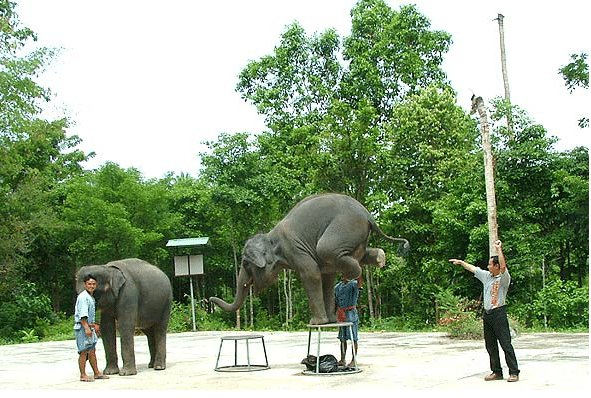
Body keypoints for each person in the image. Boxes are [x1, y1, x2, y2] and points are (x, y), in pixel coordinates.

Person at [449, 240, 520, 382]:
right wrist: (461, 262)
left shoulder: (504, 278)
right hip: (487, 314)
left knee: (505, 344)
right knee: (490, 345)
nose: (487, 267)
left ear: (496, 266)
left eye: (490, 264)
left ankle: (514, 372)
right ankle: (496, 372)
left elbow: (504, 266)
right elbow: (474, 269)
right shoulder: (487, 276)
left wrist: (499, 249)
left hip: (499, 313)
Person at [74, 274, 108, 382]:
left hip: (89, 327)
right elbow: (82, 315)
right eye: (89, 284)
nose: (91, 286)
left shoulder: (90, 297)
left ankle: (97, 372)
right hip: (83, 328)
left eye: (93, 284)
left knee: (92, 350)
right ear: (84, 285)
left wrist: (94, 326)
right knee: (83, 351)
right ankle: (83, 374)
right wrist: (86, 328)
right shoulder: (83, 297)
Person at [334, 275, 360, 367]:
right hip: (341, 314)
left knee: (354, 338)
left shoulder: (353, 284)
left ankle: (353, 359)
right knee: (342, 338)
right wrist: (335, 316)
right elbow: (335, 302)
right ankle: (342, 359)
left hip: (351, 313)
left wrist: (360, 271)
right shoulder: (337, 287)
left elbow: (359, 284)